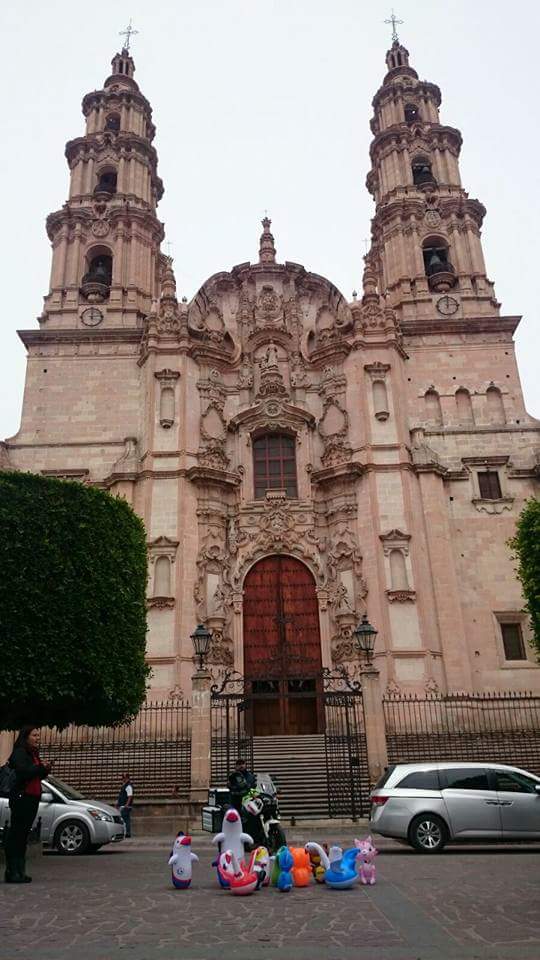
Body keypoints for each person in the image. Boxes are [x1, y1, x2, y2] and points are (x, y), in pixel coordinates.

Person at [5, 726, 51, 884]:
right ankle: (12, 871)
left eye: (38, 735)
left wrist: (45, 769)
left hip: (32, 798)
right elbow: (24, 772)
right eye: (34, 735)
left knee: (24, 835)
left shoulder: (33, 753)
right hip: (21, 798)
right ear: (26, 737)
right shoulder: (19, 753)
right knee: (17, 834)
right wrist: (39, 767)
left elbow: (36, 775)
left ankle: (20, 871)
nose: (38, 738)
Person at [116, 773, 134, 838]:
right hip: (123, 805)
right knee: (126, 819)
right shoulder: (125, 785)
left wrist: (126, 804)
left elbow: (130, 796)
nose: (123, 779)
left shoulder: (128, 786)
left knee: (124, 820)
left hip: (125, 806)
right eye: (122, 778)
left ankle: (126, 833)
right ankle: (126, 833)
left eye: (124, 778)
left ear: (127, 778)